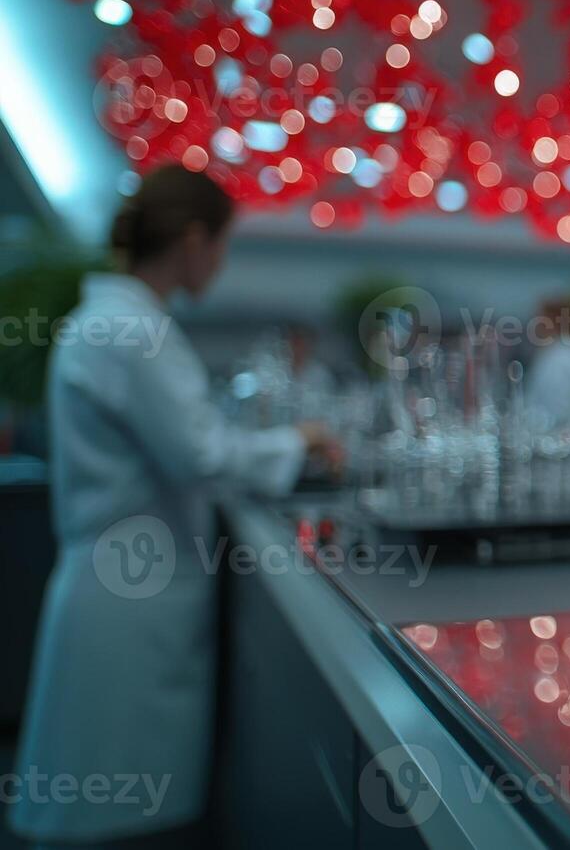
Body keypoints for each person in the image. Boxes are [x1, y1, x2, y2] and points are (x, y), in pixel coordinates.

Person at [11, 166, 339, 847]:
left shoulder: (117, 322)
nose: (220, 262)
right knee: (116, 811)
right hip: (127, 595)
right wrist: (298, 440)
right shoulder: (133, 331)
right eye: (221, 245)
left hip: (119, 584)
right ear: (193, 240)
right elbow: (203, 454)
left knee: (105, 799)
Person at [524, 293, 570, 428]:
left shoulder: (559, 358)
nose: (534, 324)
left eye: (539, 316)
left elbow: (555, 412)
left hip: (555, 435)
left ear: (553, 319)